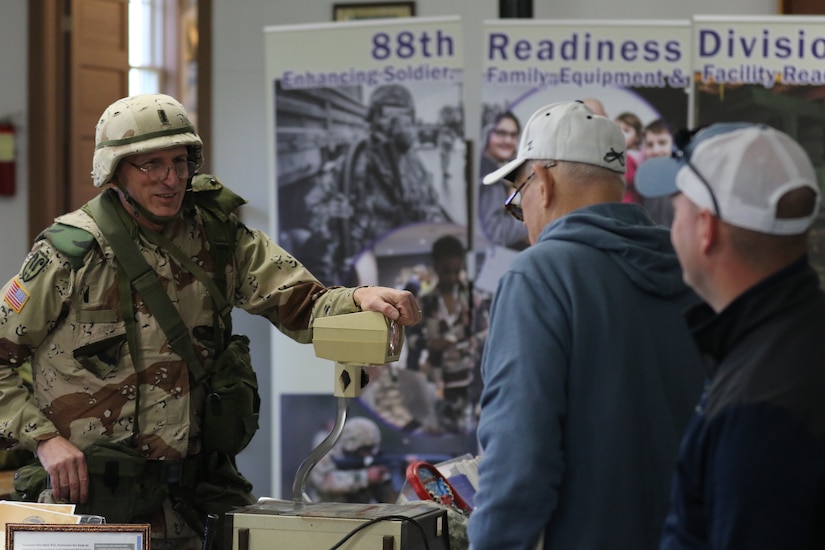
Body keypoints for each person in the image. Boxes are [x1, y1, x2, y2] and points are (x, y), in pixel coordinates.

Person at [0, 94, 421, 549]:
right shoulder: (71, 253)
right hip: (97, 509)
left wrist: (359, 296)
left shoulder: (217, 235)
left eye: (180, 162)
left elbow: (303, 302)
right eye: (151, 164)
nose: (171, 179)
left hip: (197, 502)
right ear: (115, 170)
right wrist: (44, 441)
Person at [467, 100, 704, 549]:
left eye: (518, 200)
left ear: (545, 181)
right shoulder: (688, 272)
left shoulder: (538, 276)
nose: (525, 222)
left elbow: (517, 461)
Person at [635, 123, 825, 549]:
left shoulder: (761, 413)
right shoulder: (793, 335)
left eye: (677, 205)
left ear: (706, 228)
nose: (671, 219)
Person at [351, 84, 448, 246]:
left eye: (404, 114)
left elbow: (430, 204)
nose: (397, 122)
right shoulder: (357, 161)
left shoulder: (413, 162)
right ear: (372, 118)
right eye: (387, 114)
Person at [410, 235, 488, 434]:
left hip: (472, 378)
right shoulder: (423, 302)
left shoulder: (473, 298)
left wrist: (472, 342)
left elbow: (488, 332)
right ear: (435, 268)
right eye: (446, 272)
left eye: (456, 271)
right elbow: (410, 340)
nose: (452, 278)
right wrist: (429, 343)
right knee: (444, 432)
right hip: (440, 381)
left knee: (475, 432)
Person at [307, 416, 394, 504]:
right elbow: (323, 481)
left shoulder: (369, 455)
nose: (370, 454)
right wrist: (366, 476)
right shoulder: (326, 449)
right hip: (326, 511)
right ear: (353, 446)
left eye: (372, 448)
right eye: (366, 449)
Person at [477, 111, 528, 251]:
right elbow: (495, 233)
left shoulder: (497, 168)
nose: (508, 140)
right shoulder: (488, 178)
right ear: (487, 135)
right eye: (501, 133)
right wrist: (531, 219)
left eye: (513, 135)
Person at [640, 118, 675, 226]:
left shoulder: (685, 180)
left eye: (662, 143)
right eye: (650, 145)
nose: (656, 150)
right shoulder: (641, 181)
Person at [615, 111, 644, 204]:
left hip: (626, 202)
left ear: (637, 137)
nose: (621, 134)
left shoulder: (629, 158)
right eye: (617, 129)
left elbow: (625, 179)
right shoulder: (639, 154)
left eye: (626, 131)